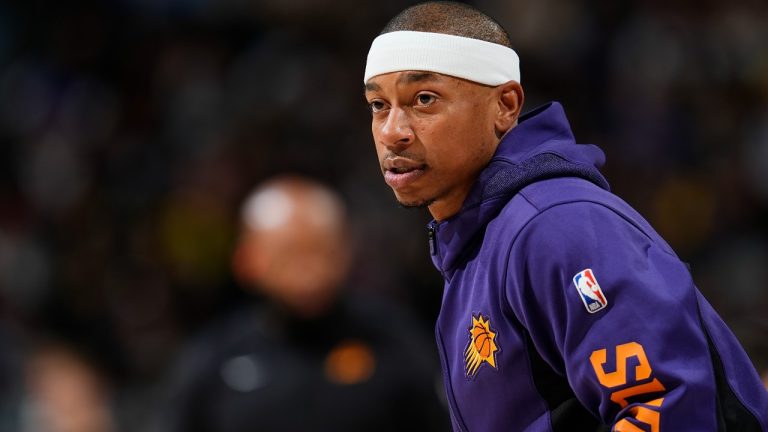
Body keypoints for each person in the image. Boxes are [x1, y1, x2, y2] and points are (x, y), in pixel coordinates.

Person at [363, 2, 768, 430]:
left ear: (505, 105)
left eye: (424, 99)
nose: (392, 131)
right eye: (377, 105)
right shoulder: (477, 242)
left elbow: (668, 403)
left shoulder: (556, 224)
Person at [162, 175, 449, 432]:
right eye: (290, 254)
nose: (310, 270)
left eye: (321, 249)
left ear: (346, 251)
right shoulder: (214, 359)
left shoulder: (393, 336)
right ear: (247, 260)